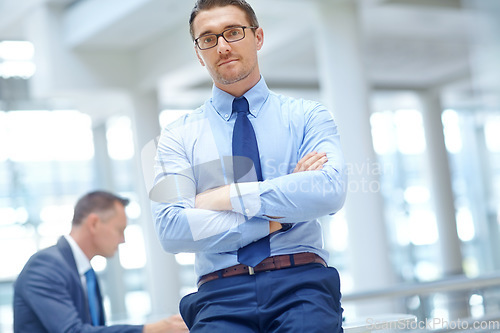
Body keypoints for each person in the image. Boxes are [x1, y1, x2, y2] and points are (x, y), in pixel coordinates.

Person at [150, 0, 348, 331]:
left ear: (257, 37)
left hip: (301, 285)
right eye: (208, 39)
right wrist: (281, 217)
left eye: (233, 32)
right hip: (219, 295)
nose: (223, 46)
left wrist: (223, 196)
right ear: (199, 54)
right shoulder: (177, 136)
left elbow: (329, 192)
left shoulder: (307, 117)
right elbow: (172, 230)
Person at [13, 190, 188, 333]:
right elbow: (72, 331)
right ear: (94, 223)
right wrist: (149, 329)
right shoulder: (45, 266)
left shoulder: (85, 272)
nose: (122, 240)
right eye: (119, 230)